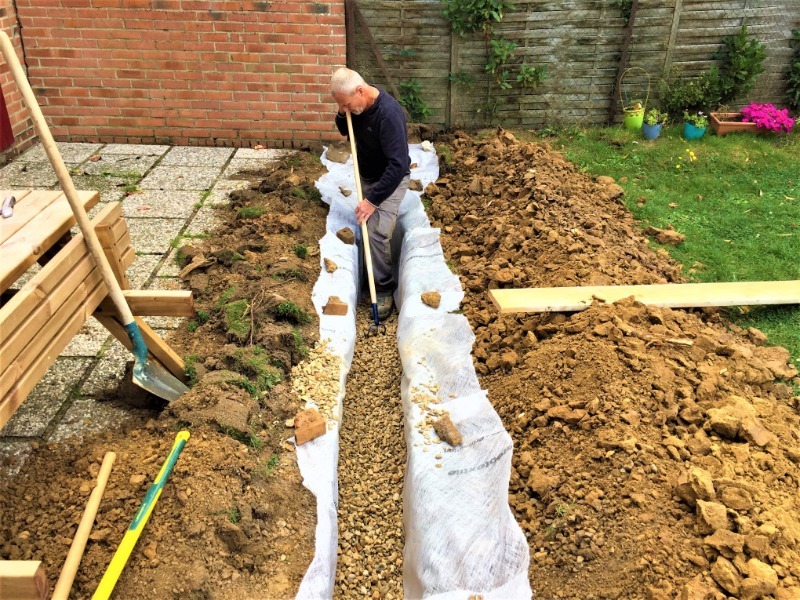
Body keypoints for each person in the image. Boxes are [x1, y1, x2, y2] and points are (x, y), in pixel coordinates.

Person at [330, 67, 411, 319]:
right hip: (366, 176)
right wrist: (342, 113)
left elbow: (398, 165)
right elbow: (344, 129)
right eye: (340, 106)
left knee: (377, 231)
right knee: (364, 227)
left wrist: (372, 201)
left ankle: (384, 289)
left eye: (346, 104)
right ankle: (368, 276)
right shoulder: (356, 107)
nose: (345, 109)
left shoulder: (388, 115)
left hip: (391, 179)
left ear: (360, 91)